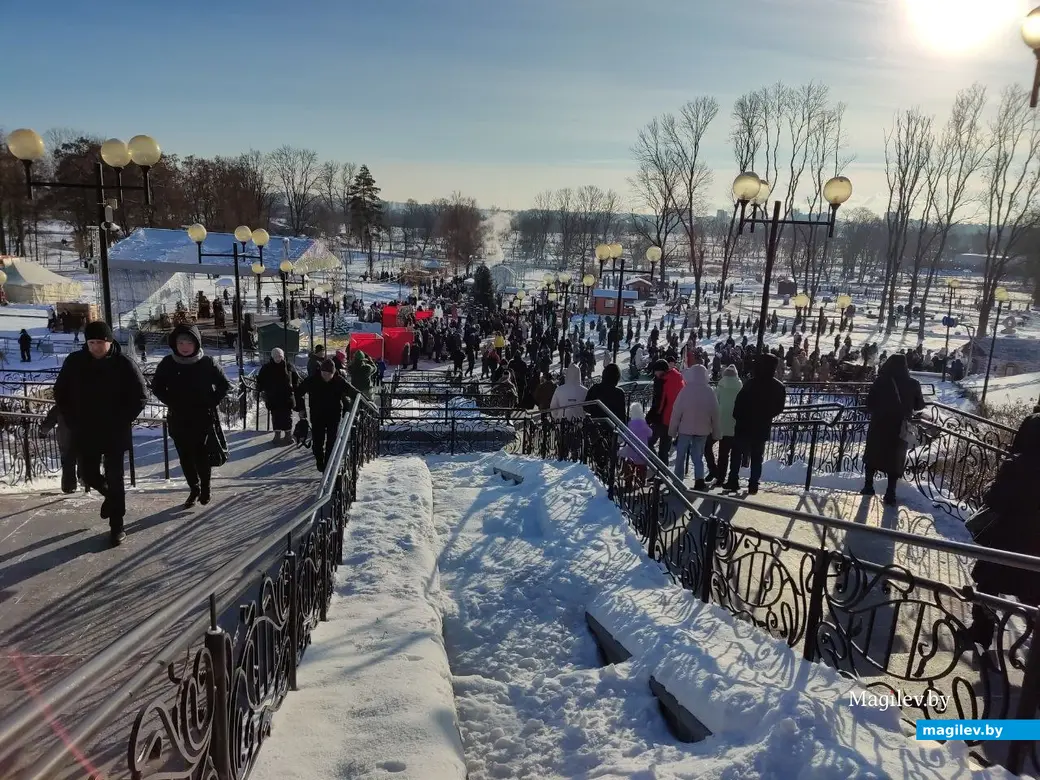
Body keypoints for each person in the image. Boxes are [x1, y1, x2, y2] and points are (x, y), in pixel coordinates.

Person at [53, 320, 148, 546]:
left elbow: (140, 396)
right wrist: (71, 417)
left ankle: (117, 526)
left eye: (100, 342)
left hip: (114, 432)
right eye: (91, 342)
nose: (95, 347)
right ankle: (112, 499)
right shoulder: (75, 362)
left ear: (109, 341)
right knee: (88, 474)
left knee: (115, 477)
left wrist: (122, 419)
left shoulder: (123, 363)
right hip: (85, 431)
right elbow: (60, 391)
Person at [962, 413, 1040, 649]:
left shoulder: (1017, 466)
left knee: (989, 584)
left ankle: (981, 632)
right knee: (1032, 592)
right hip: (1036, 547)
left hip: (1009, 538)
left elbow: (996, 500)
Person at [150, 324, 231, 509]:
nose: (184, 346)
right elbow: (157, 387)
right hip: (178, 418)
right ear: (175, 344)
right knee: (185, 457)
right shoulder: (168, 363)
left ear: (196, 343)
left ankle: (205, 487)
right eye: (181, 342)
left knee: (201, 455)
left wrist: (211, 401)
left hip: (201, 417)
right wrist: (171, 400)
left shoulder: (207, 362)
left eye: (188, 341)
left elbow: (224, 385)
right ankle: (193, 488)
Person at [861, 353, 924, 506]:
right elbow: (919, 406)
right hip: (899, 427)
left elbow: (869, 405)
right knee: (895, 458)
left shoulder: (880, 381)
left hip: (879, 424)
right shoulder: (913, 383)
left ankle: (869, 486)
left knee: (873, 453)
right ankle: (890, 493)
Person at [732, 353, 786, 495]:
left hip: (744, 426)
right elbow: (779, 408)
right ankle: (753, 484)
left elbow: (738, 403)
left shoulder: (750, 383)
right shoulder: (778, 387)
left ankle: (733, 479)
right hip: (761, 427)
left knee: (737, 453)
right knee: (757, 457)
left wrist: (738, 417)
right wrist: (765, 416)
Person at [296, 358, 358, 472]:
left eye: (329, 374)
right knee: (318, 442)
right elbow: (298, 392)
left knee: (332, 440)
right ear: (320, 371)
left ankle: (328, 464)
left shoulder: (338, 381)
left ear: (333, 373)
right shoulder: (312, 380)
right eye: (324, 373)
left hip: (333, 415)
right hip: (317, 415)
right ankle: (320, 461)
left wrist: (365, 400)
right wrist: (301, 409)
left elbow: (353, 392)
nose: (326, 376)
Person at [668, 364, 721, 491]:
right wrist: (716, 432)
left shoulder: (685, 390)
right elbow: (715, 413)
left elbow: (676, 411)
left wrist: (672, 430)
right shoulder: (709, 391)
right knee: (698, 456)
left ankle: (678, 480)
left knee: (681, 454)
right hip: (703, 430)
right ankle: (699, 480)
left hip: (685, 429)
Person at [256, 347, 300, 445]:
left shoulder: (288, 366)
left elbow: (295, 379)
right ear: (272, 357)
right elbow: (260, 381)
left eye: (280, 356)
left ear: (283, 356)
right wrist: (260, 390)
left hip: (286, 397)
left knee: (287, 416)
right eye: (276, 356)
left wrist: (295, 389)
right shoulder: (266, 368)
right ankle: (277, 435)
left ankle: (288, 435)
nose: (278, 358)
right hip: (273, 397)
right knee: (276, 416)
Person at [646, 359, 685, 463]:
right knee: (664, 449)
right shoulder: (678, 378)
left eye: (656, 371)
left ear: (661, 371)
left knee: (648, 442)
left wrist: (648, 418)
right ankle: (663, 476)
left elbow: (659, 403)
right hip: (673, 419)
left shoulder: (663, 381)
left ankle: (656, 467)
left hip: (662, 419)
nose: (655, 374)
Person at [714, 365, 743, 491]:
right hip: (737, 424)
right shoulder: (741, 387)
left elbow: (715, 402)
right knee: (736, 455)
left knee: (723, 453)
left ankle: (720, 477)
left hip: (723, 423)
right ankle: (733, 478)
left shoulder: (720, 386)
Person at [40, 403, 78, 494]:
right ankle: (86, 481)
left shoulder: (61, 405)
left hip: (66, 437)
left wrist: (43, 431)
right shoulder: (83, 402)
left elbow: (50, 420)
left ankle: (69, 486)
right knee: (83, 457)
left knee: (68, 461)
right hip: (82, 435)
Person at [618, 401, 653, 488]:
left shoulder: (630, 424)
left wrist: (619, 440)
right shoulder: (644, 424)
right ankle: (641, 481)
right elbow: (650, 433)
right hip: (643, 451)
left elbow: (624, 436)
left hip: (632, 450)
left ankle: (628, 482)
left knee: (628, 464)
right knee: (642, 467)